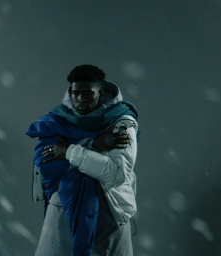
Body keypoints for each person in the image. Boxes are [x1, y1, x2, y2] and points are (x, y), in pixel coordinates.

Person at [26, 64, 141, 256]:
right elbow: (49, 164)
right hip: (62, 214)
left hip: (108, 214)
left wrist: (69, 151)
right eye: (76, 93)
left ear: (101, 93)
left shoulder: (122, 123)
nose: (80, 99)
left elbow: (116, 173)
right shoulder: (56, 121)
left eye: (88, 93)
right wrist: (95, 145)